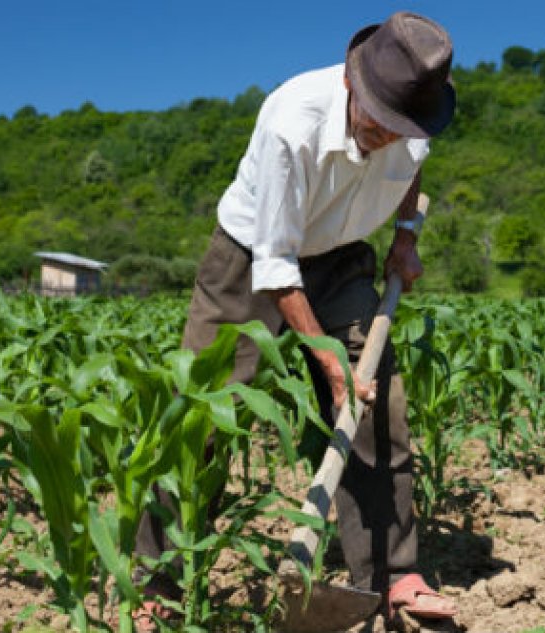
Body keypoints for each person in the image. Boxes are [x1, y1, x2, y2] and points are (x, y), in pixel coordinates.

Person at [132, 11, 458, 631]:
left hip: (344, 256)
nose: (388, 136)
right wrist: (325, 360)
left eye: (402, 127)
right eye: (378, 121)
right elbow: (276, 265)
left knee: (375, 404)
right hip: (253, 254)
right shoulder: (291, 121)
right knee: (202, 413)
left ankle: (393, 578)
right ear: (353, 86)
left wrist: (407, 236)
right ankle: (156, 581)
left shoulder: (416, 122)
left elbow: (413, 173)